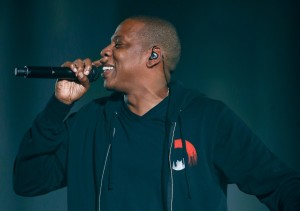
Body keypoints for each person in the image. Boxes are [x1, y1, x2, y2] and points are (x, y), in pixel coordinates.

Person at [13, 16, 300, 211]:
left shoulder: (208, 119)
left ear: (153, 56)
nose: (104, 51)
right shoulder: (89, 122)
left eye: (118, 43)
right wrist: (58, 106)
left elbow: (279, 185)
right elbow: (27, 181)